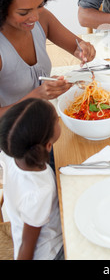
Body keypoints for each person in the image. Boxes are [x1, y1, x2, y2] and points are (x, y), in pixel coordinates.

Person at [0, 0, 96, 117]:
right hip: (11, 134)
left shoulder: (42, 18)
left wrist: (83, 50)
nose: (35, 17)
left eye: (39, 5)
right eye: (24, 12)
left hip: (43, 118)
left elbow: (76, 46)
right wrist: (36, 96)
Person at [0, 98, 64, 260]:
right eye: (57, 119)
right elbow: (27, 249)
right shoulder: (40, 191)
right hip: (51, 251)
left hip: (25, 223)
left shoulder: (8, 154)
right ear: (49, 146)